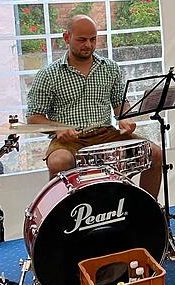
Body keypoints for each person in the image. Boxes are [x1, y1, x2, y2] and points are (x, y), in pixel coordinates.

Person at [26, 15, 162, 198]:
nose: (88, 45)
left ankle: (147, 212)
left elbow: (119, 104)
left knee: (155, 154)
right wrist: (59, 128)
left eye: (93, 39)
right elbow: (34, 118)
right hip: (69, 141)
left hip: (106, 133)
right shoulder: (48, 75)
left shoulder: (110, 68)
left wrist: (125, 119)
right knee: (59, 162)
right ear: (66, 38)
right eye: (81, 40)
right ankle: (64, 220)